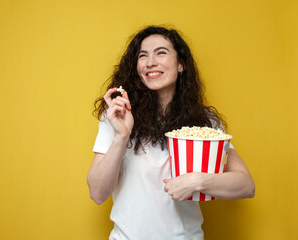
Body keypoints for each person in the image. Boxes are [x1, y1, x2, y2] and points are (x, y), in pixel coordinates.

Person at [87, 26, 255, 240]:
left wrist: (199, 181)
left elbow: (246, 186)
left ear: (181, 65)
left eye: (161, 52)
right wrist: (122, 136)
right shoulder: (118, 115)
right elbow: (97, 194)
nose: (150, 62)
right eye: (143, 55)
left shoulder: (204, 123)